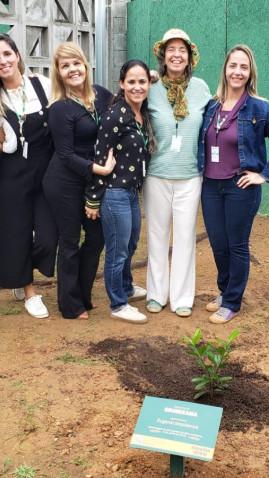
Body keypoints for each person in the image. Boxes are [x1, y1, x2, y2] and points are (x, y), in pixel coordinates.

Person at [197, 44, 269, 323]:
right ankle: (224, 291)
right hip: (211, 187)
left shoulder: (259, 108)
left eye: (243, 67)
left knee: (236, 244)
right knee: (218, 244)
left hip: (241, 188)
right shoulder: (212, 106)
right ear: (225, 70)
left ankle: (233, 301)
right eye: (233, 66)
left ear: (250, 73)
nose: (237, 72)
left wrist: (263, 174)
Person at [43, 42, 129, 319]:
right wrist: (100, 170)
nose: (72, 70)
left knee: (96, 237)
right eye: (65, 66)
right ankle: (70, 304)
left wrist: (149, 80)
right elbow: (65, 154)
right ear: (58, 72)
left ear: (85, 65)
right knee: (69, 240)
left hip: (91, 182)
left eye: (76, 63)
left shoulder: (102, 96)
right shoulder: (59, 108)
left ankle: (83, 293)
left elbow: (126, 106)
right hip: (64, 181)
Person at [0, 33, 57, 319]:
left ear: (17, 55)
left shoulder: (42, 84)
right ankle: (28, 290)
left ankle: (20, 267)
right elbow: (7, 145)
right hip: (13, 172)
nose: (2, 61)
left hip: (46, 169)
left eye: (6, 54)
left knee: (49, 236)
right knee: (16, 233)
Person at [144, 28, 210, 317]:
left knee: (184, 237)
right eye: (170, 49)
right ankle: (157, 293)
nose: (176, 54)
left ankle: (182, 297)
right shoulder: (150, 87)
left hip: (189, 175)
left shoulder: (202, 89)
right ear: (162, 55)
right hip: (157, 173)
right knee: (157, 235)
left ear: (190, 56)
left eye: (181, 50)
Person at [84, 60, 155, 324]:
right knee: (117, 249)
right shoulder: (115, 116)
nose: (137, 87)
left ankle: (125, 286)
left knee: (131, 242)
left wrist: (154, 76)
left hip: (131, 192)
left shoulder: (140, 113)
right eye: (132, 82)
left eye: (143, 81)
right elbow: (100, 158)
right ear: (122, 84)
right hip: (114, 193)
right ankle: (118, 303)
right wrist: (93, 198)